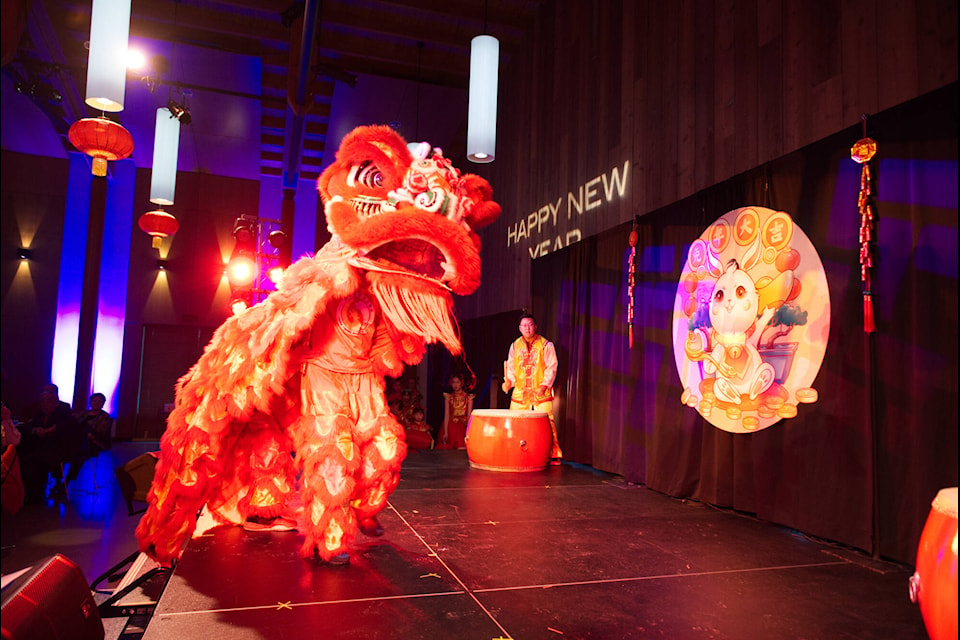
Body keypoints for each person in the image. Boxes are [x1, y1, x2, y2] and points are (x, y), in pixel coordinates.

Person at [502, 314, 563, 464]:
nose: (527, 328)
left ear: (535, 326)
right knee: (515, 421)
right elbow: (511, 366)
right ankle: (514, 451)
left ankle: (553, 453)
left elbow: (552, 367)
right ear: (519, 328)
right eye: (524, 325)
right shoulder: (515, 345)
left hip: (540, 391)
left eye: (530, 325)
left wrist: (544, 385)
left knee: (547, 422)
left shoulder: (545, 345)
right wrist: (509, 382)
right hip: (521, 391)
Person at [19, 384, 81, 501]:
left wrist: (52, 429)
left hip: (58, 450)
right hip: (42, 447)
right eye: (42, 402)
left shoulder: (63, 413)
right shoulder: (41, 413)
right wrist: (35, 430)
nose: (44, 405)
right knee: (22, 456)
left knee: (30, 460)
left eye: (47, 402)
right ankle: (30, 491)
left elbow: (68, 426)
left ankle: (36, 493)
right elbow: (28, 425)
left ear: (55, 402)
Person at [65, 392, 113, 484]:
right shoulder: (84, 413)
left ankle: (67, 482)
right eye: (94, 401)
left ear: (103, 403)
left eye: (99, 401)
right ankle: (59, 481)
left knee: (78, 456)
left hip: (92, 442)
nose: (96, 403)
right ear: (91, 402)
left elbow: (101, 432)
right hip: (77, 440)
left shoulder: (104, 417)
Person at [437, 373, 473, 450]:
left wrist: (468, 432)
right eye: (453, 382)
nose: (455, 385)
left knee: (461, 449)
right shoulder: (449, 397)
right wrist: (446, 432)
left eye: (457, 382)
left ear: (462, 383)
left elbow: (469, 416)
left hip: (463, 425)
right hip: (451, 426)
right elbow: (446, 415)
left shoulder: (468, 398)